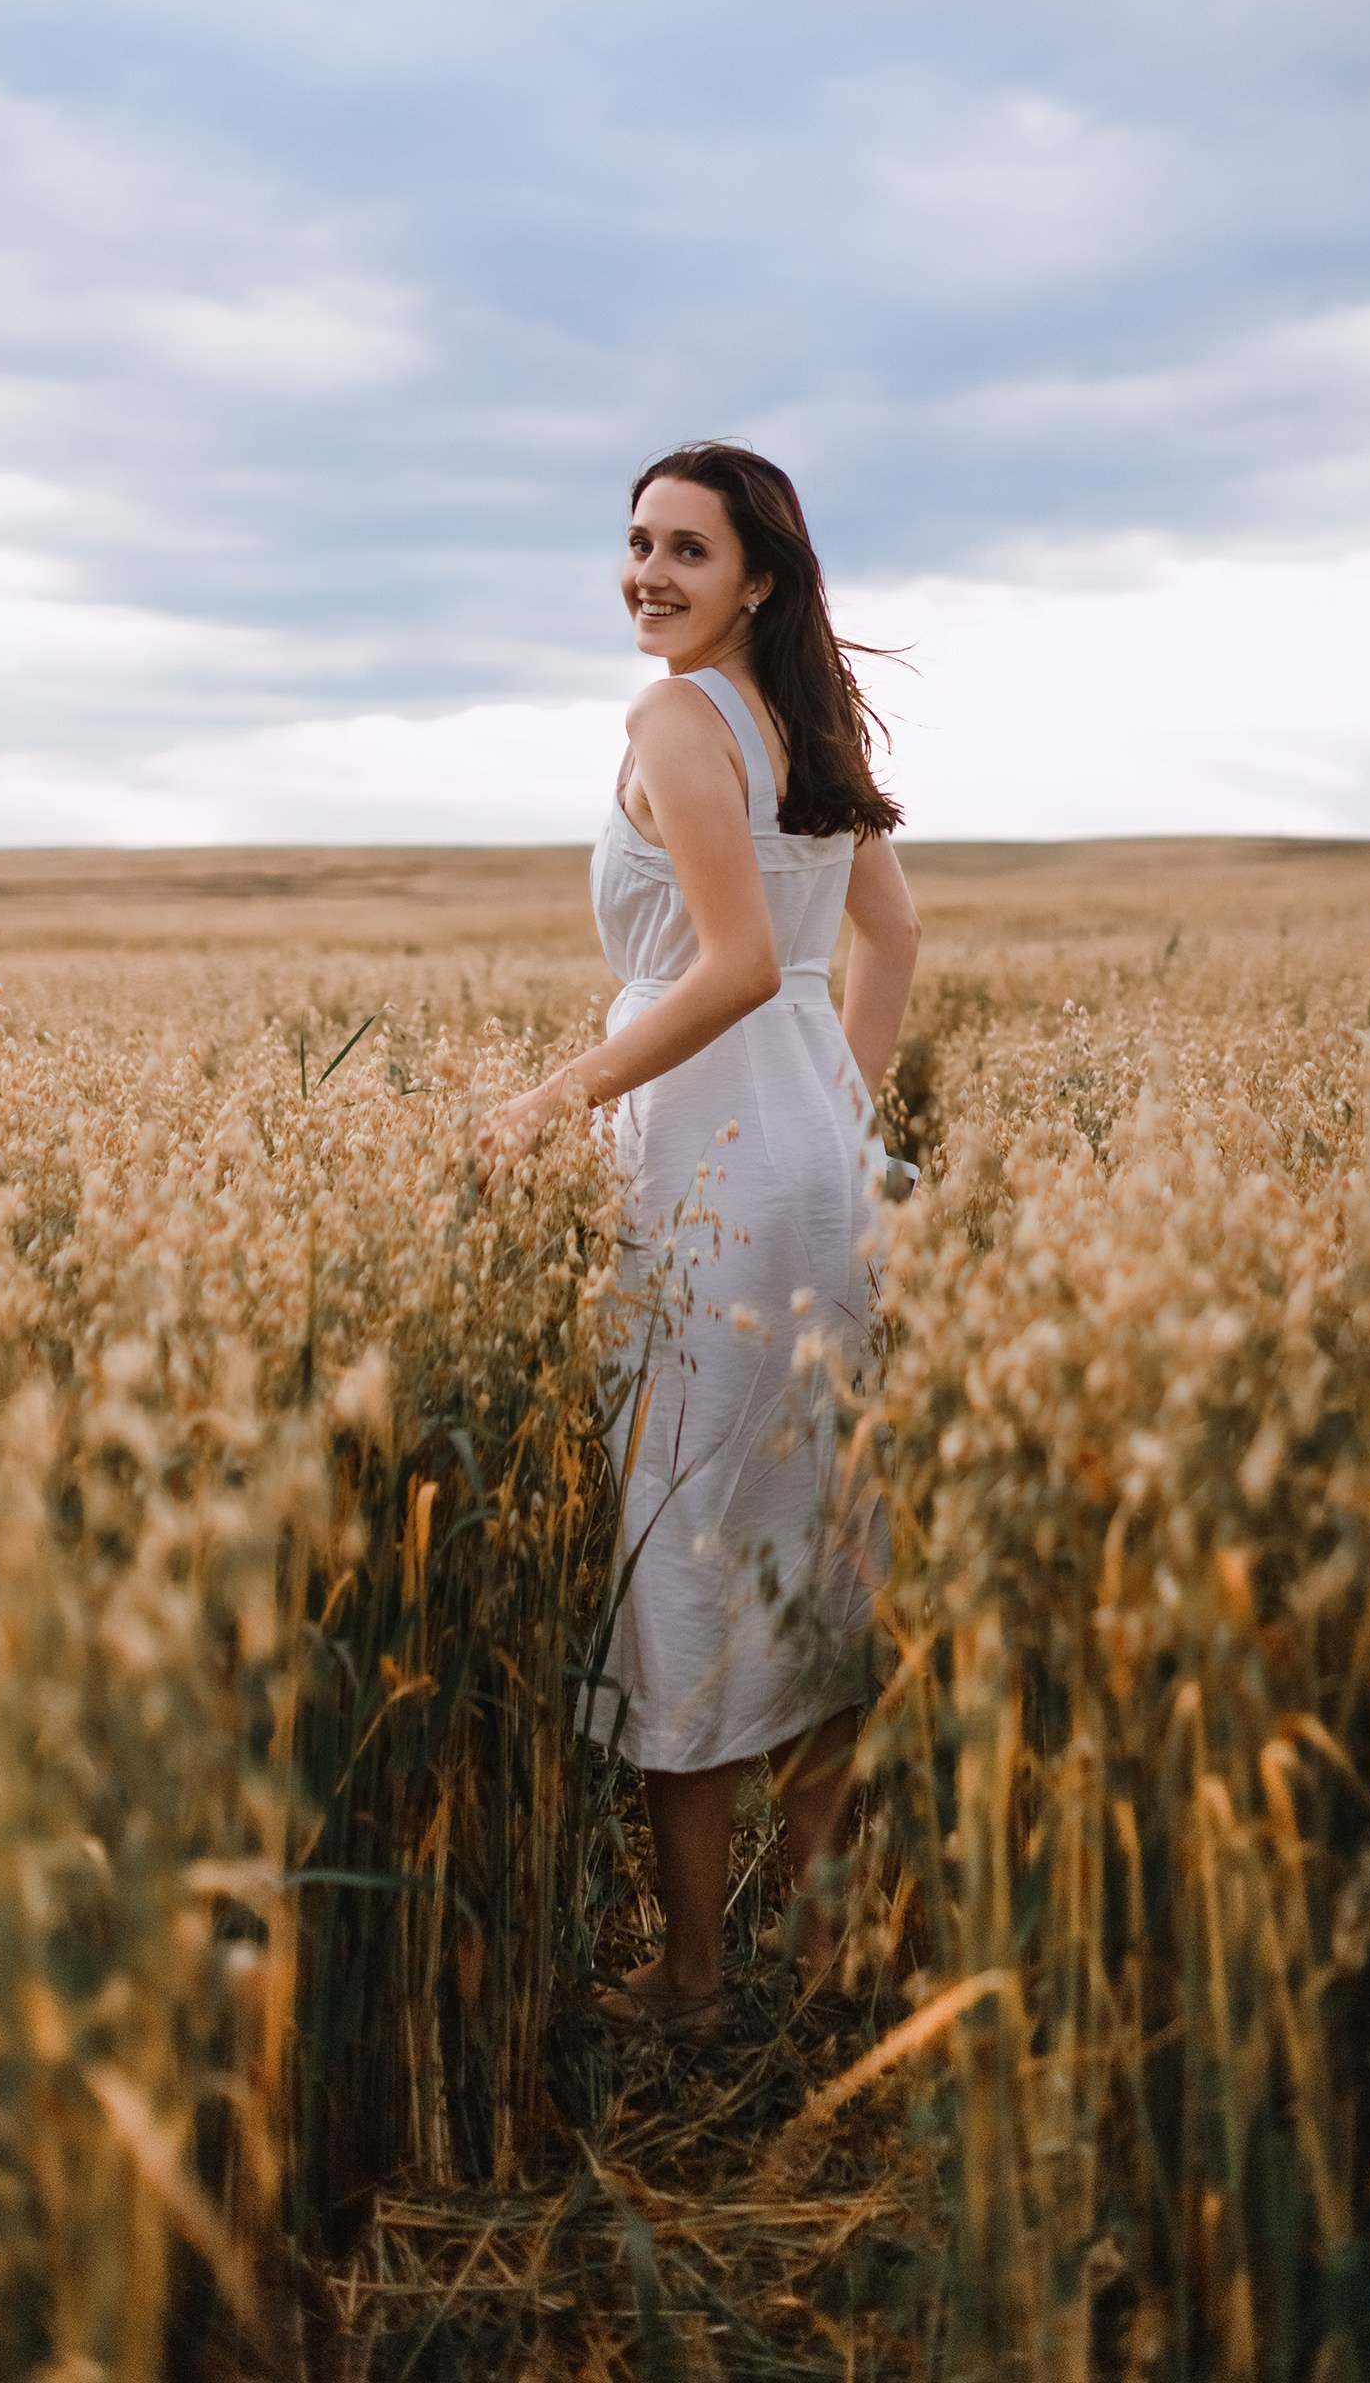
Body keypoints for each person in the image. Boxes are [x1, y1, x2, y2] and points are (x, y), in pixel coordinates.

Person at [478, 442, 921, 2033]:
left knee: (688, 1541)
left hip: (707, 1170)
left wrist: (548, 1102)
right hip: (817, 1161)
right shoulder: (808, 726)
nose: (649, 573)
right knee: (815, 1546)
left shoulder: (674, 718)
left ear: (761, 577)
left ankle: (692, 1979)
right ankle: (820, 1957)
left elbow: (730, 963)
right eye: (638, 541)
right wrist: (841, 1121)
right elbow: (888, 945)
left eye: (687, 550)